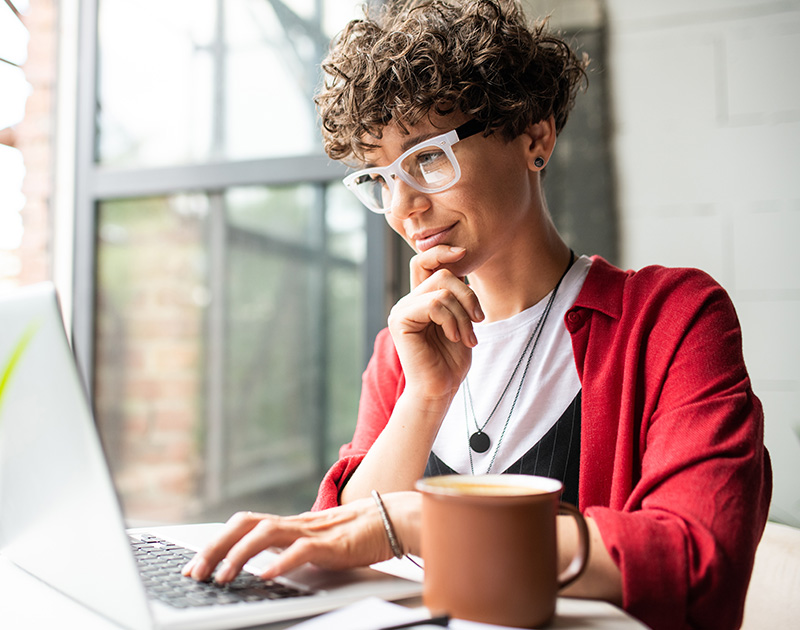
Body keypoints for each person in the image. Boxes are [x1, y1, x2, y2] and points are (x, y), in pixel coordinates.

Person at [183, 1, 772, 628]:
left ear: (534, 138)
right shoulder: (401, 350)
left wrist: (422, 521)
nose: (403, 207)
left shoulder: (668, 321)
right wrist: (425, 397)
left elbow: (698, 565)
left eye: (428, 158)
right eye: (381, 177)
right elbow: (342, 541)